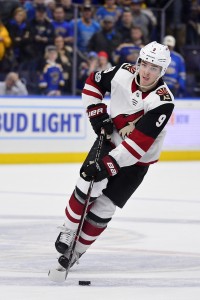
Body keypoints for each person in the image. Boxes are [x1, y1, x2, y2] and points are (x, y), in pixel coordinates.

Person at [53, 41, 175, 270]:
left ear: (162, 72)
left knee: (105, 207)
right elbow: (93, 82)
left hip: (138, 160)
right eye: (145, 64)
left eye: (154, 68)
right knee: (88, 182)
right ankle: (68, 230)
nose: (147, 72)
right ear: (138, 62)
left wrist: (106, 166)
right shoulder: (122, 72)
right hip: (110, 143)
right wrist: (96, 113)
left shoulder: (163, 102)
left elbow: (138, 146)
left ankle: (76, 251)